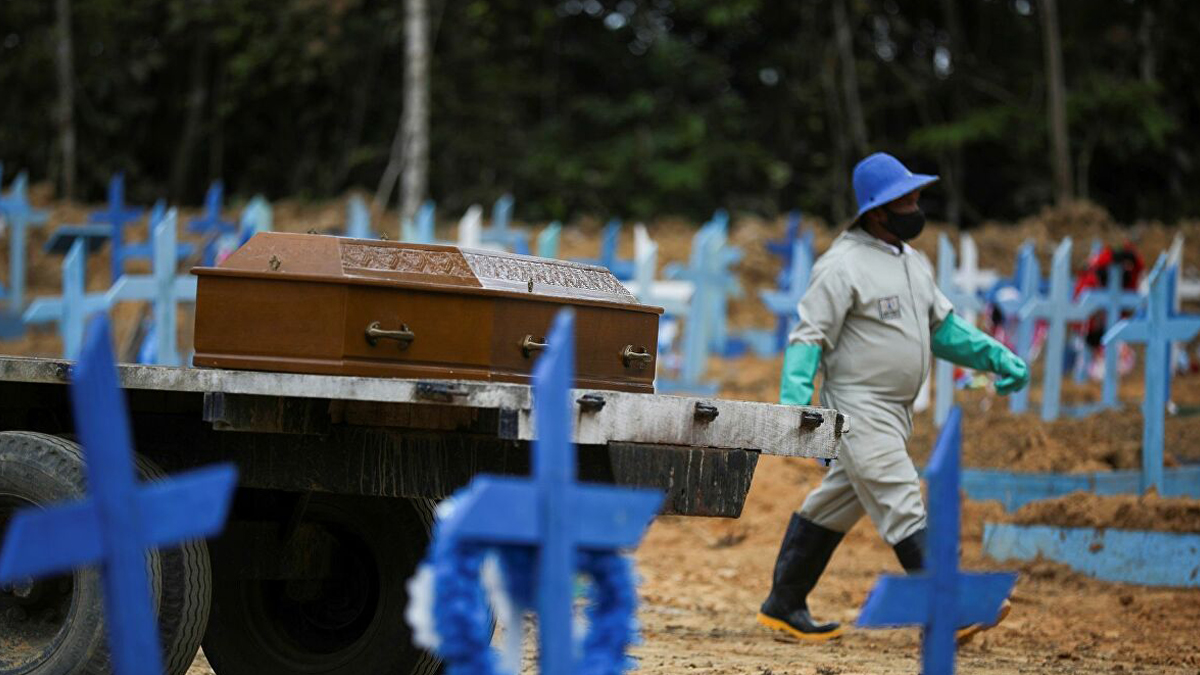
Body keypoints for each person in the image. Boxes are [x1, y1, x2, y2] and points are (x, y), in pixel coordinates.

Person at [756, 152, 1030, 644]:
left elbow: (942, 329)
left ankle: (783, 602)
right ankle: (947, 611)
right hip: (856, 410)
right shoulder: (841, 265)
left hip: (895, 412)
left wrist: (995, 356)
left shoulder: (913, 263)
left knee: (834, 504)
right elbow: (808, 337)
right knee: (902, 500)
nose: (916, 205)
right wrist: (797, 410)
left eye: (917, 195)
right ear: (877, 211)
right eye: (906, 199)